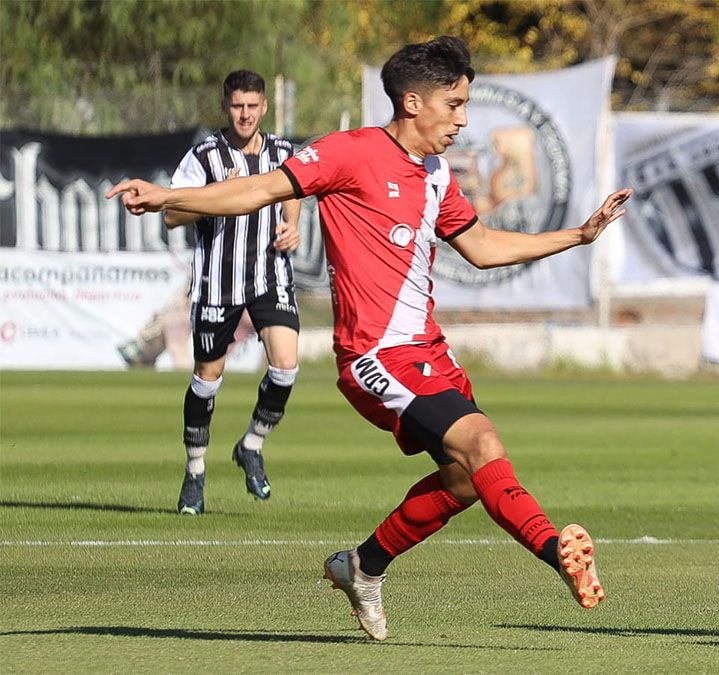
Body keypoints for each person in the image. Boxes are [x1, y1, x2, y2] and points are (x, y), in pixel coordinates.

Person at [108, 36, 632, 641]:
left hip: (431, 354)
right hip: (374, 357)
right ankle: (555, 550)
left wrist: (580, 235)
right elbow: (257, 191)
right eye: (454, 105)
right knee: (483, 442)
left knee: (464, 480)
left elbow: (483, 247)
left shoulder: (436, 173)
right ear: (413, 102)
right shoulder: (349, 153)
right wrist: (169, 195)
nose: (462, 119)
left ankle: (361, 566)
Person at [164, 69, 302, 515]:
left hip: (269, 276)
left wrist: (292, 225)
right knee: (208, 380)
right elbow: (170, 214)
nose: (245, 114)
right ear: (226, 106)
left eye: (252, 106)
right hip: (216, 282)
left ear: (264, 107)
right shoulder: (204, 156)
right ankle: (195, 473)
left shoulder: (282, 151)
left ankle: (252, 444)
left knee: (286, 366)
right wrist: (211, 199)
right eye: (237, 106)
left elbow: (297, 187)